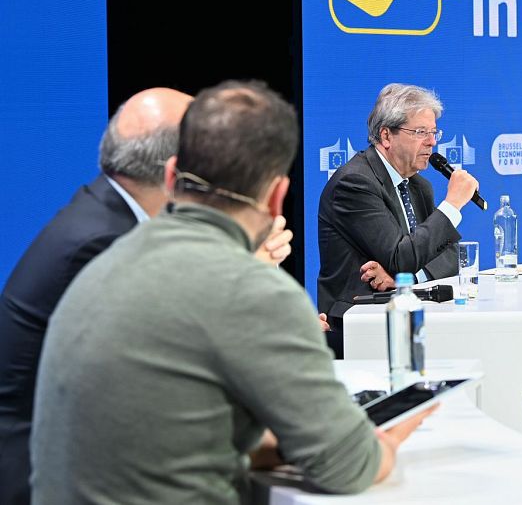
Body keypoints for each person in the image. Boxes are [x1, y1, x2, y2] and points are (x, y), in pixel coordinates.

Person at [31, 81, 431, 504]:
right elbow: (349, 466)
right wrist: (386, 441)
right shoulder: (255, 292)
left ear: (170, 177)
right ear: (277, 197)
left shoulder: (101, 264)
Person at [0, 89, 297, 505]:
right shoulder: (105, 241)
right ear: (181, 169)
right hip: (47, 469)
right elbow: (184, 360)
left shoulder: (107, 212)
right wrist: (248, 272)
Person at [317, 83, 478, 317]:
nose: (432, 142)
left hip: (406, 313)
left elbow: (450, 256)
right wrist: (452, 204)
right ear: (386, 135)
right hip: (358, 320)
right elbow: (401, 257)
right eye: (420, 132)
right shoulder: (354, 183)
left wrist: (406, 278)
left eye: (434, 132)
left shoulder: (418, 185)